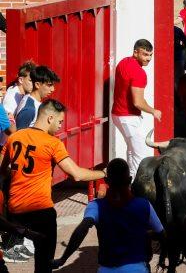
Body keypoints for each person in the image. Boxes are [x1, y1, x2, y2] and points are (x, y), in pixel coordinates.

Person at [0, 99, 106, 273]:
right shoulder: (52, 143)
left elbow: (2, 170)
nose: (59, 126)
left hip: (15, 211)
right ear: (49, 118)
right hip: (41, 212)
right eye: (59, 122)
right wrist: (104, 174)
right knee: (43, 266)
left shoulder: (15, 137)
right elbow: (77, 174)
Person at [51, 158, 166, 272]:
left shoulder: (96, 206)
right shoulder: (144, 205)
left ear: (106, 180)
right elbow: (161, 233)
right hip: (138, 268)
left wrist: (63, 259)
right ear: (130, 180)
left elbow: (82, 229)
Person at [111, 39, 161, 180]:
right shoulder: (139, 73)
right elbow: (138, 102)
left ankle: (130, 183)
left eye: (150, 55)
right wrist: (153, 110)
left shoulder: (123, 62)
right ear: (136, 52)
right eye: (145, 54)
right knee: (141, 155)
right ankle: (139, 186)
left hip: (117, 114)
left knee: (132, 151)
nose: (149, 58)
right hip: (128, 117)